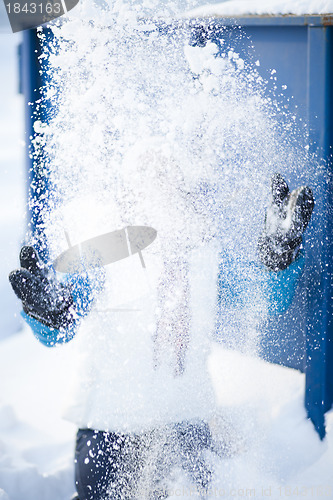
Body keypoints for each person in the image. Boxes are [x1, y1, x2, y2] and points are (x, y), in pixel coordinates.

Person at [9, 173, 314, 500]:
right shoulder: (104, 256)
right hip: (111, 428)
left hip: (186, 421)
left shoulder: (207, 257)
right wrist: (49, 313)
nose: (170, 199)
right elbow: (62, 323)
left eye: (181, 187)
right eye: (155, 185)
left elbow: (265, 299)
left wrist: (280, 255)